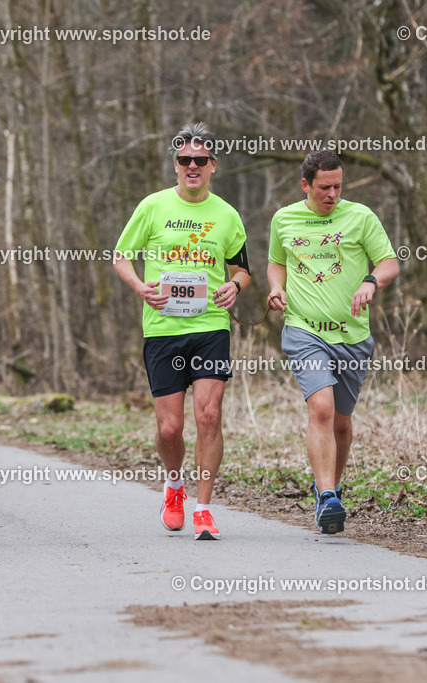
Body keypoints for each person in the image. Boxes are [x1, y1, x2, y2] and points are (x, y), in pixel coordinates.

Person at [113, 122, 251, 541]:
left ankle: (204, 509)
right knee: (170, 428)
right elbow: (121, 256)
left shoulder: (226, 215)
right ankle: (174, 485)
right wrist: (139, 287)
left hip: (210, 326)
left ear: (213, 165)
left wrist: (234, 286)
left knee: (209, 416)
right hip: (162, 329)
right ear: (175, 166)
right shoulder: (152, 206)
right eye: (184, 160)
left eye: (200, 160)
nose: (192, 166)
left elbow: (242, 269)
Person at [267, 150, 399, 534]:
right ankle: (326, 496)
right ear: (305, 185)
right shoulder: (284, 219)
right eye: (324, 187)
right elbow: (277, 261)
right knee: (321, 409)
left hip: (353, 335)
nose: (332, 194)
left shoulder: (360, 217)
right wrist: (276, 288)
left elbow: (389, 263)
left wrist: (371, 282)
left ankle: (333, 486)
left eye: (338, 186)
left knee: (341, 420)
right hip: (304, 330)